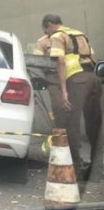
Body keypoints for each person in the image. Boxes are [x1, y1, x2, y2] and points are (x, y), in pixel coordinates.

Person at [42, 14, 103, 182]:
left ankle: (76, 167)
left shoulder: (57, 36)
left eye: (46, 31)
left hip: (76, 80)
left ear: (49, 25)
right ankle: (98, 165)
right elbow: (93, 57)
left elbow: (60, 61)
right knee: (94, 123)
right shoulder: (78, 33)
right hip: (93, 78)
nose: (47, 35)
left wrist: (64, 91)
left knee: (70, 123)